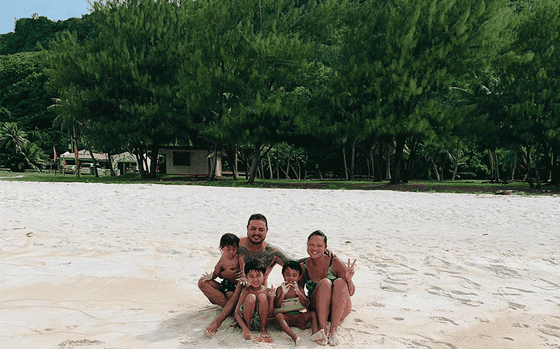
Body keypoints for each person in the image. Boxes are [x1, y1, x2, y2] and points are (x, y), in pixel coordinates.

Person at [200, 213, 292, 336]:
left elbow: (295, 265)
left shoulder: (272, 252)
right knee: (203, 282)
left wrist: (320, 254)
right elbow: (221, 267)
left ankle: (224, 318)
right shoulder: (236, 245)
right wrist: (225, 274)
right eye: (253, 229)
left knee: (244, 290)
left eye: (261, 230)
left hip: (257, 294)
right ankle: (234, 314)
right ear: (247, 228)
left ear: (267, 231)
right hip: (232, 290)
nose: (256, 233)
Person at [301, 230, 356, 346]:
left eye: (319, 245)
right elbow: (301, 295)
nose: (314, 248)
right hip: (318, 309)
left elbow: (350, 292)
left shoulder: (335, 262)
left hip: (340, 309)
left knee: (340, 282)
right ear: (307, 245)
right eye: (311, 245)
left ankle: (333, 331)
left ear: (326, 247)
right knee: (325, 283)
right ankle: (323, 329)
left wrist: (349, 279)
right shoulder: (303, 266)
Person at [274, 261, 325, 346]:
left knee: (312, 314)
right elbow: (277, 305)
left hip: (298, 316)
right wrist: (283, 293)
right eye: (288, 275)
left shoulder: (300, 289)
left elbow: (305, 304)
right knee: (278, 316)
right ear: (283, 275)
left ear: (299, 277)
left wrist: (298, 293)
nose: (291, 278)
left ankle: (314, 333)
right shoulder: (280, 289)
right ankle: (294, 336)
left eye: (294, 275)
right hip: (286, 317)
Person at [234, 259, 275, 342]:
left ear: (264, 275)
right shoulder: (245, 291)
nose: (255, 279)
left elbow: (270, 314)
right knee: (251, 297)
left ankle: (263, 328)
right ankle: (248, 328)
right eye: (251, 276)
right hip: (247, 321)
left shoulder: (266, 291)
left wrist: (271, 299)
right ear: (246, 277)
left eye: (258, 275)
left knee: (262, 296)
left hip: (260, 322)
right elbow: (236, 312)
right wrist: (245, 329)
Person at [201, 233, 245, 301]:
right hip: (228, 284)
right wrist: (210, 276)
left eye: (234, 249)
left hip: (239, 283)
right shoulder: (222, 260)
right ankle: (230, 307)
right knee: (229, 294)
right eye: (228, 249)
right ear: (221, 248)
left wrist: (243, 277)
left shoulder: (238, 257)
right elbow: (216, 273)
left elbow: (243, 268)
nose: (231, 252)